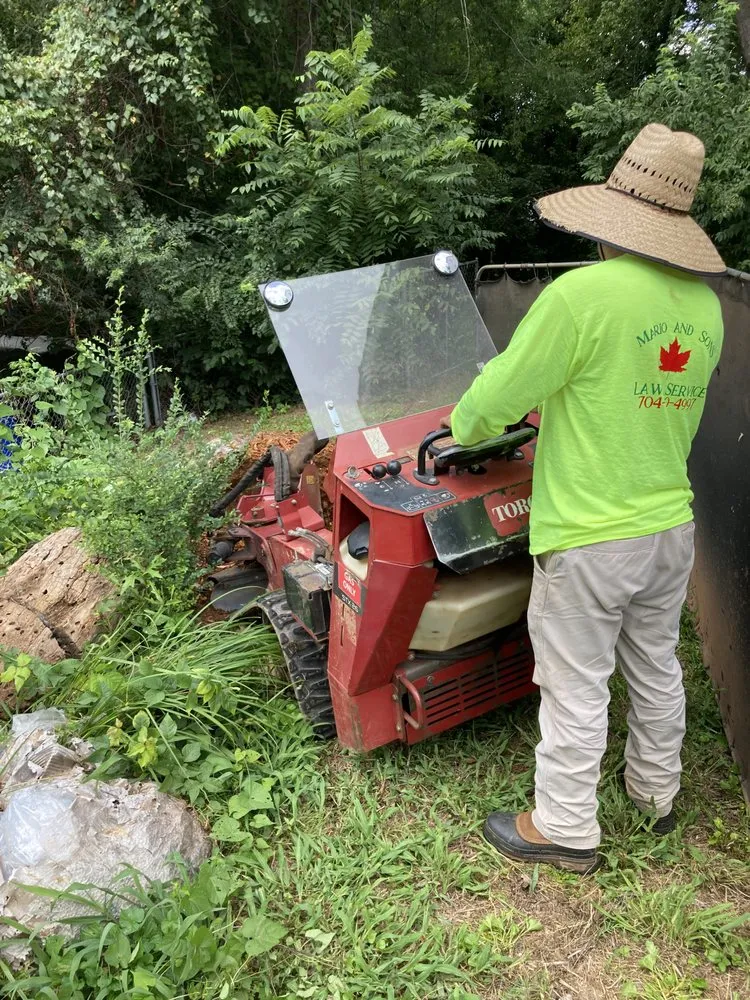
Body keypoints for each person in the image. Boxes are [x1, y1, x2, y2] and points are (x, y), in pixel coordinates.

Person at [447, 123, 725, 875]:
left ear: (612, 219)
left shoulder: (582, 296)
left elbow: (500, 398)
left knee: (574, 680)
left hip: (591, 532)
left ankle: (566, 826)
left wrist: (460, 426)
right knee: (656, 664)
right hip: (669, 523)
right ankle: (655, 795)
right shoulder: (705, 308)